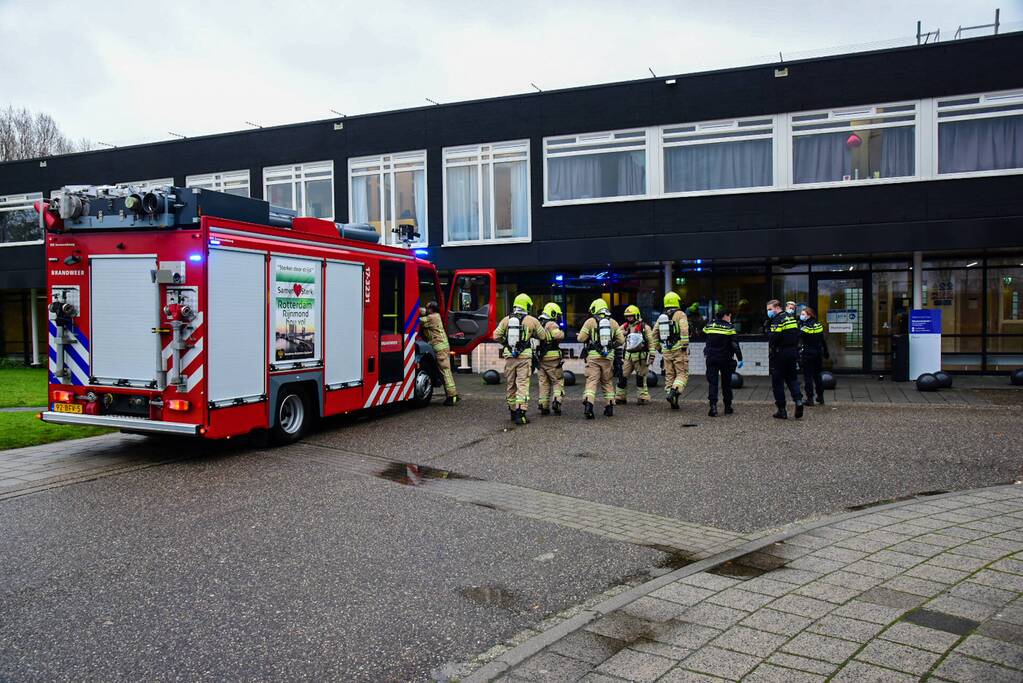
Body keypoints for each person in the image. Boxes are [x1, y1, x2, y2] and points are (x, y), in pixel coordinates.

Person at [492, 294, 545, 425]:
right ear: (527, 306)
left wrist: (506, 343)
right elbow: (543, 336)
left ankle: (512, 412)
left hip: (509, 357)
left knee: (511, 384)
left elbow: (495, 335)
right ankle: (521, 415)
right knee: (522, 384)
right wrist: (531, 333)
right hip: (524, 357)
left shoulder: (506, 320)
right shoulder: (532, 320)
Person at [576, 299, 625, 418]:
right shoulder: (613, 322)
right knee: (607, 382)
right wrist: (611, 346)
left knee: (592, 381)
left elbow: (581, 338)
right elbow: (621, 340)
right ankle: (609, 407)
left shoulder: (590, 322)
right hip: (608, 357)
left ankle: (589, 406)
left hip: (593, 357)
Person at [766, 299, 803, 419]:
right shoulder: (790, 318)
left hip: (780, 354)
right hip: (792, 352)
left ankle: (782, 410)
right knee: (792, 379)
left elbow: (773, 338)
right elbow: (798, 334)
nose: (769, 312)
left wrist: (768, 331)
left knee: (777, 383)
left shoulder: (777, 320)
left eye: (770, 309)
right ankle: (798, 401)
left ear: (777, 307)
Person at [703, 308, 743, 417]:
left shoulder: (709, 325)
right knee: (726, 384)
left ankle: (713, 408)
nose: (730, 318)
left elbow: (703, 335)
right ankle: (727, 407)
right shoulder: (729, 327)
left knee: (713, 383)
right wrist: (740, 358)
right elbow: (735, 345)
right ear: (725, 315)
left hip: (711, 358)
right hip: (725, 359)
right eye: (729, 316)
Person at [615, 305, 657, 405]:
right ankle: (620, 397)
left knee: (640, 378)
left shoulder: (644, 327)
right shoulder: (625, 326)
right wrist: (623, 333)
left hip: (640, 357)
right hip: (628, 357)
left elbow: (651, 341)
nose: (629, 318)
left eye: (631, 316)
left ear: (636, 315)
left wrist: (652, 355)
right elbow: (617, 334)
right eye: (627, 316)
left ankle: (642, 397)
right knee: (622, 377)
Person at [419, 301, 458, 405]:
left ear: (431, 309)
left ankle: (452, 396)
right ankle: (452, 394)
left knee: (445, 372)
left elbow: (418, 320)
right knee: (444, 372)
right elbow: (422, 312)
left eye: (427, 308)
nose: (426, 310)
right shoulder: (436, 315)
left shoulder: (432, 318)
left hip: (440, 349)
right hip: (441, 347)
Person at [655, 292, 690, 410]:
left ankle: (672, 400)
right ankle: (674, 392)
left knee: (669, 375)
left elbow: (654, 334)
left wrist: (659, 348)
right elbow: (684, 330)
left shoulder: (662, 317)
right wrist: (684, 345)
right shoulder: (681, 314)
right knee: (682, 374)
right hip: (678, 349)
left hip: (666, 350)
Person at [536, 302, 566, 415]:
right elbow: (558, 335)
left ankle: (544, 406)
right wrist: (562, 332)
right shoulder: (551, 324)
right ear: (553, 313)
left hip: (540, 359)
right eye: (557, 315)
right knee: (557, 381)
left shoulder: (538, 323)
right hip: (552, 359)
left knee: (543, 382)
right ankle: (557, 401)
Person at [798, 306, 829, 406]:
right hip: (818, 354)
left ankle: (810, 399)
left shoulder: (805, 327)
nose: (801, 316)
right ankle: (820, 397)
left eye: (803, 314)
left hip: (808, 354)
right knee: (817, 376)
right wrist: (826, 351)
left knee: (808, 377)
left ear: (809, 315)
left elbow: (798, 337)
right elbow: (822, 340)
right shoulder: (818, 325)